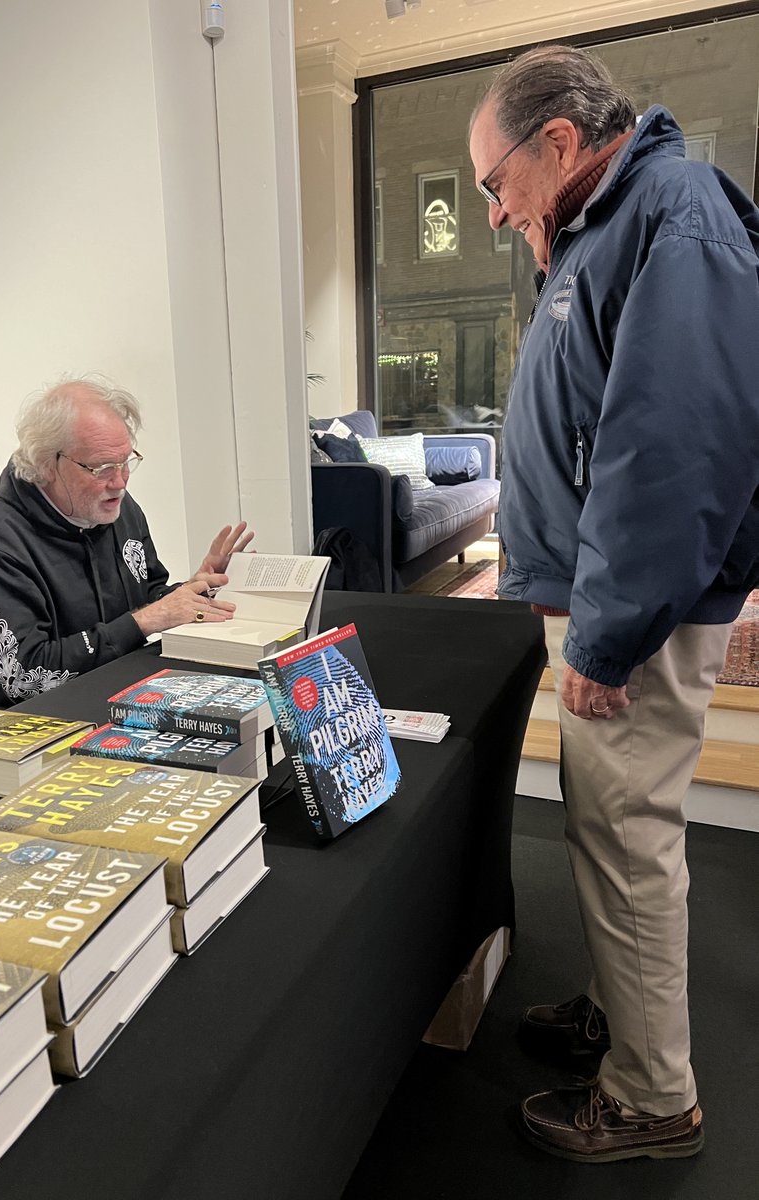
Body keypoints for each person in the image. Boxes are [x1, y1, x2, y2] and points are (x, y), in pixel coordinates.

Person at [468, 45, 759, 1162]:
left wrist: (607, 631)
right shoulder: (600, 223)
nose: (494, 214)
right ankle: (621, 1016)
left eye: (498, 184)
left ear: (558, 142)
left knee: (628, 834)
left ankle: (650, 1097)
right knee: (606, 828)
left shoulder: (670, 212)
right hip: (604, 593)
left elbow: (671, 449)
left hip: (635, 612)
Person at [0, 376, 253, 707]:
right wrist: (143, 622)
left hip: (121, 692)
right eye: (101, 468)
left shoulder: (118, 510)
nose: (120, 482)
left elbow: (147, 598)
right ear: (47, 464)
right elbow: (24, 677)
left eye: (126, 461)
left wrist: (194, 590)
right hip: (33, 721)